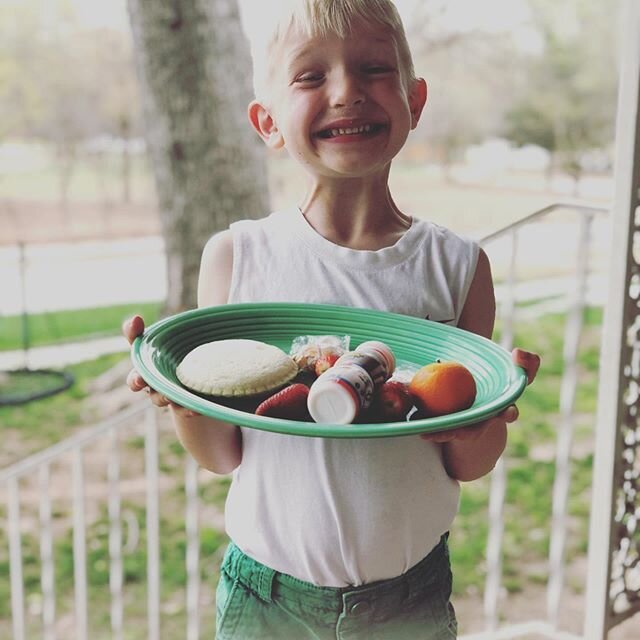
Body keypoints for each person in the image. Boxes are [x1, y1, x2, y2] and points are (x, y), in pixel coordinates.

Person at [124, 1, 541, 637]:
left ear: (414, 99)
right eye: (310, 77)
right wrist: (181, 396)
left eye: (374, 69)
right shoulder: (237, 258)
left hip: (411, 599)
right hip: (267, 598)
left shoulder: (458, 265)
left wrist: (486, 415)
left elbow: (468, 461)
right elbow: (221, 454)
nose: (347, 91)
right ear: (266, 121)